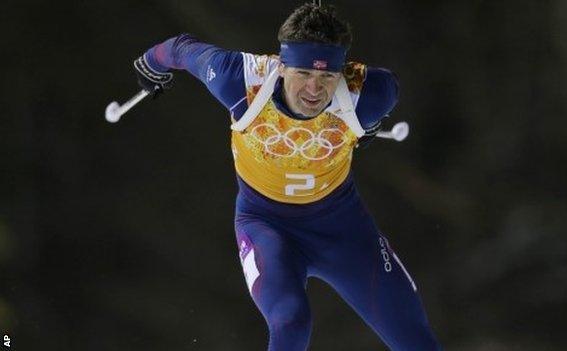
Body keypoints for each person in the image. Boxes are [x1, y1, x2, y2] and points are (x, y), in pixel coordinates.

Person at [132, 3, 442, 350]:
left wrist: (366, 125)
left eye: (327, 76)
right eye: (304, 73)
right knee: (292, 321)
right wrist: (152, 62)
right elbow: (181, 49)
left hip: (343, 227)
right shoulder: (240, 80)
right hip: (266, 225)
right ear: (281, 66)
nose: (314, 89)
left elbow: (389, 89)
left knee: (415, 337)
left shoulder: (368, 93)